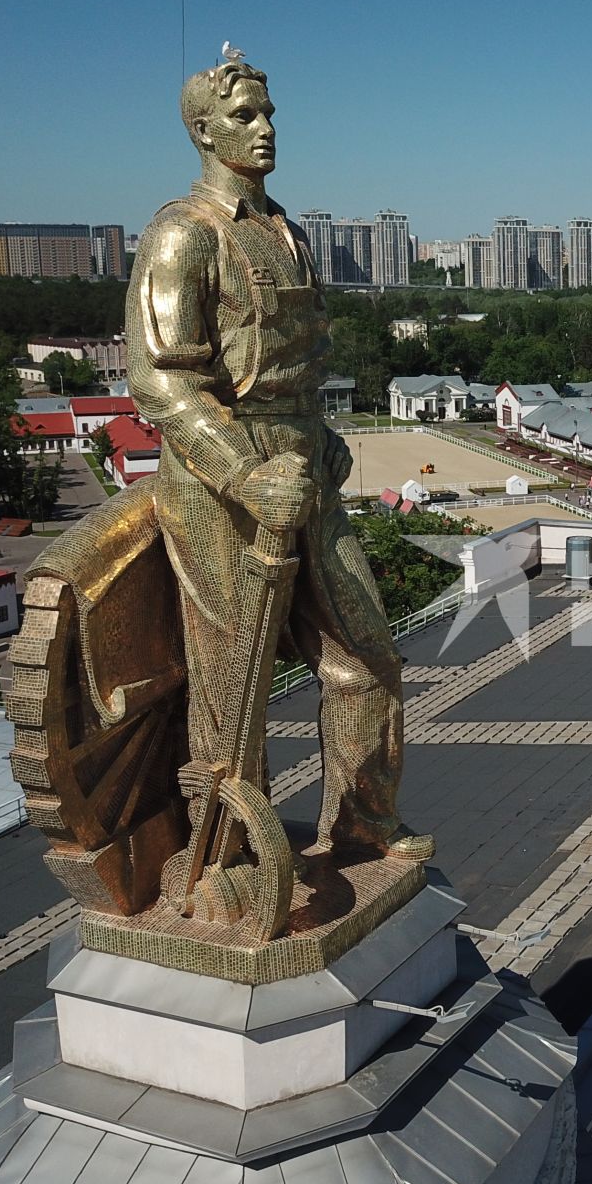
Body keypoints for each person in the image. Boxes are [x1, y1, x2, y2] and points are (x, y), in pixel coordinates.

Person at [128, 50, 432, 864]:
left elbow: (289, 357)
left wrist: (313, 434)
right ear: (201, 130)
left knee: (365, 653)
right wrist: (243, 471)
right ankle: (224, 856)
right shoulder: (181, 236)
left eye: (268, 115)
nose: (265, 131)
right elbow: (162, 383)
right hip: (222, 484)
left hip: (303, 468)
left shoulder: (282, 228)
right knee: (236, 680)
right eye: (243, 118)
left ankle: (363, 820)